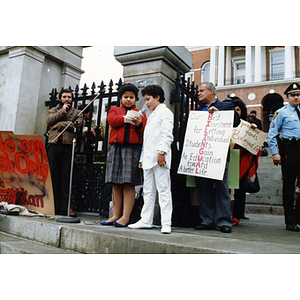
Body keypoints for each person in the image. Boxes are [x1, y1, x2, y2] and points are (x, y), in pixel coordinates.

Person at [193, 82, 240, 233]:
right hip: (201, 154)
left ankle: (224, 221)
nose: (198, 93)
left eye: (201, 90)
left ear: (211, 91)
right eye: (198, 91)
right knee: (203, 187)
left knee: (221, 188)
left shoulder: (225, 106)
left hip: (218, 155)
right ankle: (207, 220)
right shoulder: (198, 110)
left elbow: (236, 122)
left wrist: (218, 112)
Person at [128, 85, 174, 234]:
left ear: (157, 97)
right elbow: (147, 140)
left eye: (148, 99)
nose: (146, 103)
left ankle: (166, 222)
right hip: (148, 159)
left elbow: (167, 134)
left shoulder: (165, 112)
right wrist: (142, 158)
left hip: (159, 158)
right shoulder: (152, 114)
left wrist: (162, 152)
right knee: (148, 191)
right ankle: (145, 220)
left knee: (164, 190)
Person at [102, 83, 147, 227]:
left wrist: (139, 123)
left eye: (132, 97)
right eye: (126, 97)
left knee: (128, 183)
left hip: (132, 149)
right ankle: (115, 215)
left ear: (135, 99)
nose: (129, 100)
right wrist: (125, 118)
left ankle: (125, 216)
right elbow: (112, 121)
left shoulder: (140, 113)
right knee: (115, 182)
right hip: (116, 148)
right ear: (121, 98)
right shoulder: (114, 110)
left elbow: (143, 130)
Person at [268, 82, 300, 231]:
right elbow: (272, 134)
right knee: (289, 186)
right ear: (287, 97)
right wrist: (275, 153)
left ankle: (297, 215)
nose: (296, 97)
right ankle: (290, 220)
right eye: (293, 95)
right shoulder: (281, 113)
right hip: (289, 150)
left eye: (298, 95)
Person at [46, 88, 83, 216]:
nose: (67, 99)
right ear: (60, 99)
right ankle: (53, 206)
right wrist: (62, 111)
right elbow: (49, 121)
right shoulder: (54, 110)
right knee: (53, 176)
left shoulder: (77, 112)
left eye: (69, 97)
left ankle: (66, 207)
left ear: (72, 99)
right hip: (54, 145)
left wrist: (59, 125)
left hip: (67, 146)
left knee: (66, 177)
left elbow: (76, 124)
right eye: (64, 97)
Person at [231, 98, 261, 225]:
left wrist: (254, 132)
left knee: (240, 188)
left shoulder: (247, 125)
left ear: (242, 111)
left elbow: (255, 146)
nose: (234, 112)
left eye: (237, 110)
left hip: (241, 161)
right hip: (228, 160)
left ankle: (237, 215)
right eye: (232, 109)